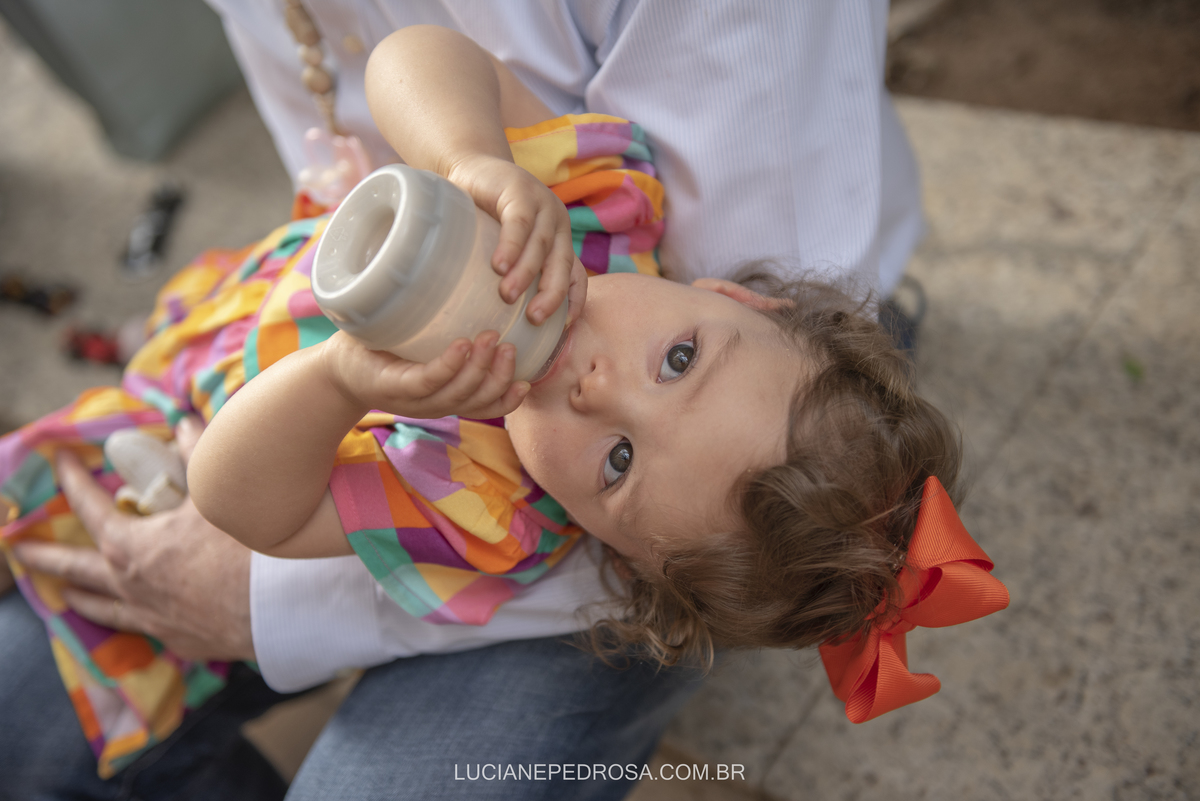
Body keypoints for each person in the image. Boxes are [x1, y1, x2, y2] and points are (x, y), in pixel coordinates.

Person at [0, 3, 927, 799]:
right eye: (678, 360)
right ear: (735, 296)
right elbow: (416, 53)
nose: (597, 386)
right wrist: (471, 154)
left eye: (618, 461)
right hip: (233, 301)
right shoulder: (599, 205)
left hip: (208, 408)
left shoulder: (477, 506)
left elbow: (235, 500)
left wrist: (340, 381)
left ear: (605, 549)